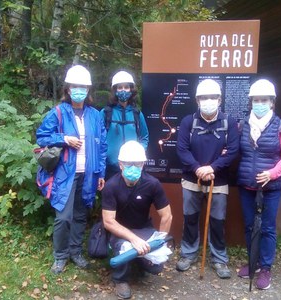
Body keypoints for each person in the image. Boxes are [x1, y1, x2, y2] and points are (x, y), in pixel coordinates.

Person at [36, 65, 107, 274]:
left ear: (88, 90)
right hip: (65, 174)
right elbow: (41, 136)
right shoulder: (58, 113)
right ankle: (60, 256)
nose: (79, 90)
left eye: (83, 87)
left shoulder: (95, 115)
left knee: (80, 216)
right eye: (75, 86)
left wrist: (100, 173)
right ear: (68, 89)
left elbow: (102, 145)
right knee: (63, 217)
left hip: (88, 174)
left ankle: (76, 252)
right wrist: (63, 138)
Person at [175, 79, 240, 279]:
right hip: (191, 180)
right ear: (197, 100)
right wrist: (197, 169)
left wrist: (212, 168)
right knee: (191, 218)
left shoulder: (229, 122)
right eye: (204, 97)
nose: (208, 101)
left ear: (220, 99)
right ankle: (188, 253)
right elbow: (182, 149)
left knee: (217, 221)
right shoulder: (188, 122)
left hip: (217, 181)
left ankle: (219, 259)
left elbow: (233, 151)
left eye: (213, 97)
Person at [235, 79, 281, 290]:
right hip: (246, 186)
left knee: (267, 228)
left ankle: (266, 268)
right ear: (251, 102)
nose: (259, 103)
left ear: (272, 102)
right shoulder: (242, 125)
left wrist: (272, 173)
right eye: (256, 100)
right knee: (250, 226)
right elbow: (235, 150)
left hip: (270, 188)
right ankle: (254, 263)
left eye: (264, 100)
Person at [102, 141, 172, 299]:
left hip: (143, 228)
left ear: (143, 164)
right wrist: (134, 240)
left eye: (138, 163)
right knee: (124, 246)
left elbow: (167, 215)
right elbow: (108, 221)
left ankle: (140, 261)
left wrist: (160, 240)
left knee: (156, 267)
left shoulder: (153, 184)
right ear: (120, 164)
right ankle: (120, 279)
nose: (133, 167)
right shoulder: (111, 186)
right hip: (118, 230)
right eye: (128, 164)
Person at [101, 71, 149, 180]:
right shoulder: (106, 113)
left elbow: (144, 137)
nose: (123, 90)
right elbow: (98, 139)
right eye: (120, 87)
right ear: (115, 90)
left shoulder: (137, 113)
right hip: (110, 168)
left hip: (132, 168)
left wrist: (138, 153)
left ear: (131, 90)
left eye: (126, 87)